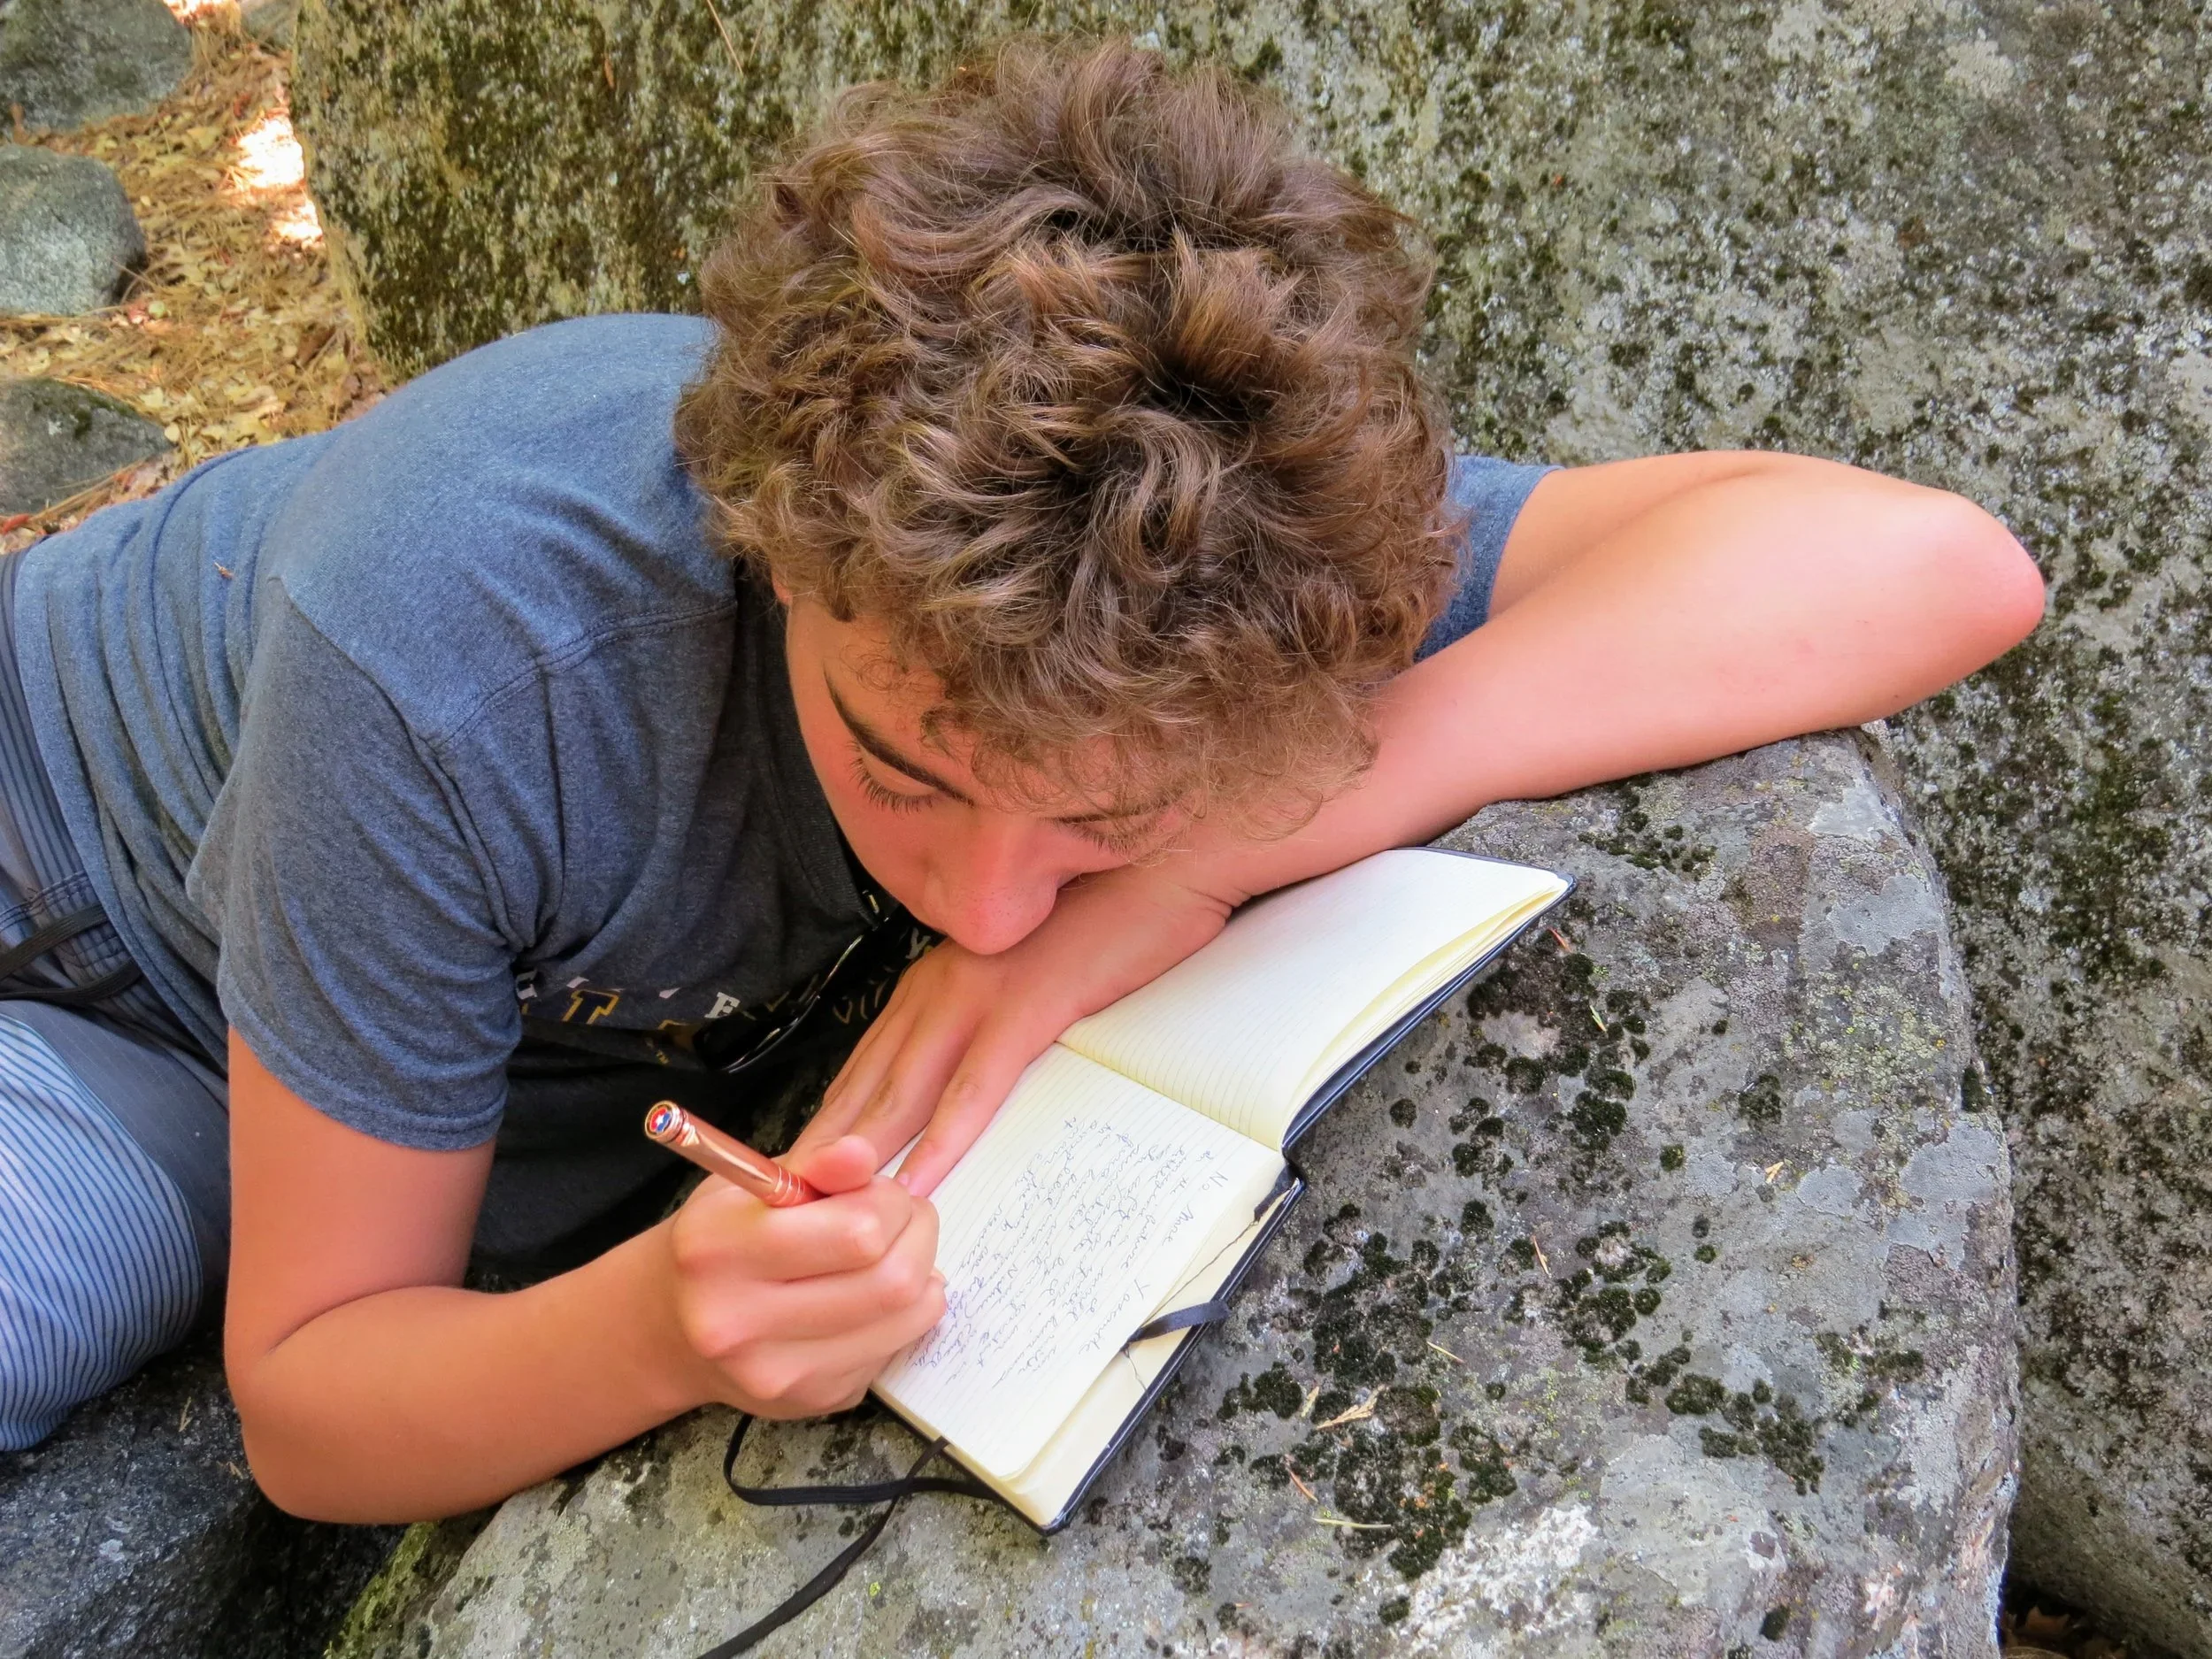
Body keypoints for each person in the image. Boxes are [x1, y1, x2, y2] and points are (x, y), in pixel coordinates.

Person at [0, 36, 2043, 1518]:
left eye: (1102, 810)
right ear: (768, 540)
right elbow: (321, 1397)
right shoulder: (462, 634)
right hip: (98, 965)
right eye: (905, 771)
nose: (993, 909)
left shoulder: (1204, 543)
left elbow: (1928, 563)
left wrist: (1215, 860)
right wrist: (658, 1333)